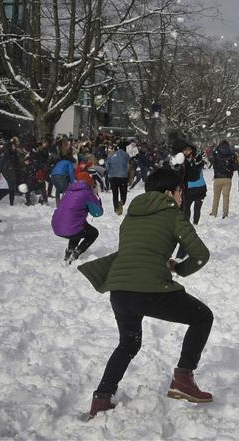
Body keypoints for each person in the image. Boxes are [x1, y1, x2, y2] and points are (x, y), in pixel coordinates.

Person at [78, 167, 214, 418]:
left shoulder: (132, 214)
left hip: (119, 289)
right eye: (179, 191)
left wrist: (162, 261)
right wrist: (180, 269)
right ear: (168, 193)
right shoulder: (172, 213)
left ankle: (102, 398)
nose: (181, 196)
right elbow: (201, 255)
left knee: (129, 342)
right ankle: (183, 377)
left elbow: (138, 249)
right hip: (149, 289)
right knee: (202, 317)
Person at [52, 175, 103, 264]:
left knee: (78, 228)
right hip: (71, 227)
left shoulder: (68, 192)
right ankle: (76, 253)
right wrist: (96, 197)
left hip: (57, 226)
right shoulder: (87, 193)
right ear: (90, 184)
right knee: (93, 233)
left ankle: (69, 252)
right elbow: (97, 213)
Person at [210, 140, 235, 218]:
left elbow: (213, 163)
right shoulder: (231, 153)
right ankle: (225, 213)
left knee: (216, 196)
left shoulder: (216, 152)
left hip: (218, 178)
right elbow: (234, 166)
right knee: (226, 197)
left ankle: (214, 212)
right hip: (227, 178)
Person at [106, 145, 130, 215]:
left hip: (113, 177)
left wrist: (109, 172)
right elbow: (128, 165)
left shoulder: (110, 155)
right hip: (123, 177)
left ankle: (116, 208)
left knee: (115, 193)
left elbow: (107, 166)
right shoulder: (126, 155)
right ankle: (122, 201)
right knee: (123, 191)